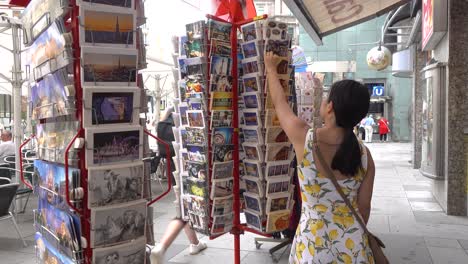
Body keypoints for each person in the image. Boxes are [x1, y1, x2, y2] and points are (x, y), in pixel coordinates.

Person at [265, 51, 376, 263]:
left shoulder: (303, 138)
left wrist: (270, 68)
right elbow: (364, 207)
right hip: (354, 246)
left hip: (312, 244)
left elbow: (280, 104)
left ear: (330, 107)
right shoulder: (364, 155)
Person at [151, 107, 207, 264]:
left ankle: (194, 243)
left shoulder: (164, 123)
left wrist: (169, 109)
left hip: (173, 167)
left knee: (183, 208)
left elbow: (161, 121)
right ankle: (162, 246)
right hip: (192, 168)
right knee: (184, 212)